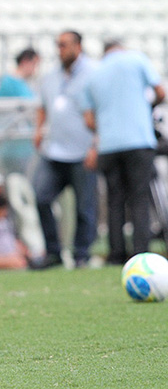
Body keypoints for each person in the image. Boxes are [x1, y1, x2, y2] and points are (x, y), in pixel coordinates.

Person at [80, 40, 165, 264]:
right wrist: (146, 109)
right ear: (121, 48)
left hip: (108, 146)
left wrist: (107, 126)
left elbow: (88, 119)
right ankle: (141, 253)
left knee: (114, 200)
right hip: (138, 141)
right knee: (139, 198)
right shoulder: (137, 60)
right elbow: (160, 92)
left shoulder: (94, 74)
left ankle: (116, 254)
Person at [31, 31, 98, 269]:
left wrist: (96, 145)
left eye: (64, 45)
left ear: (78, 46)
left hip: (83, 151)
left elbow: (101, 110)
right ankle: (53, 252)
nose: (60, 50)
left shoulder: (94, 74)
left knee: (84, 206)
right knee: (41, 197)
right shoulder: (50, 77)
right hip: (54, 151)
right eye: (57, 45)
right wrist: (39, 129)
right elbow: (42, 106)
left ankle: (82, 254)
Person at [0, 48, 40, 175]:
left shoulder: (24, 85)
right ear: (26, 61)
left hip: (24, 146)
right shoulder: (9, 82)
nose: (36, 69)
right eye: (35, 64)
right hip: (13, 147)